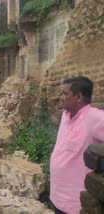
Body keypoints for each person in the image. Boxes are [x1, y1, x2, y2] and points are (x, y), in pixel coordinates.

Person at [50, 76, 104, 214]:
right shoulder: (65, 116)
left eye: (65, 94)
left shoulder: (95, 117)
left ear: (78, 97)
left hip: (76, 201)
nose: (60, 97)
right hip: (57, 194)